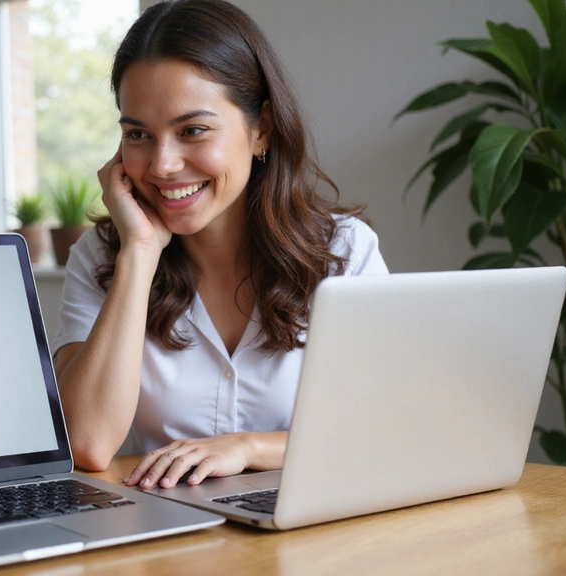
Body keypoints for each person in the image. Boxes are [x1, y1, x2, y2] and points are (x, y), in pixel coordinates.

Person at [51, 0, 388, 491]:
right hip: (165, 540)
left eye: (193, 130)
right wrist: (139, 256)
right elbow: (87, 442)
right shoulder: (104, 257)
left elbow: (380, 429)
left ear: (261, 129)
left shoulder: (343, 252)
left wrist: (250, 447)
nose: (162, 164)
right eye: (138, 134)